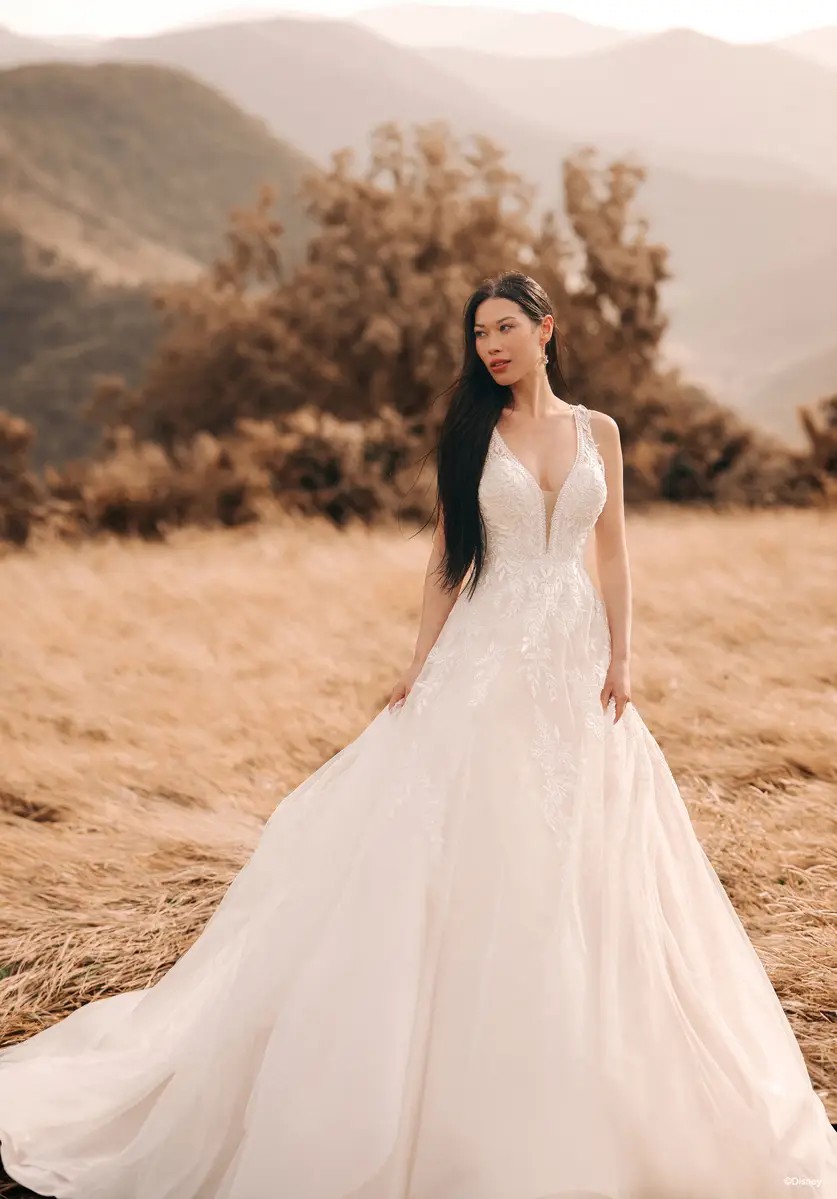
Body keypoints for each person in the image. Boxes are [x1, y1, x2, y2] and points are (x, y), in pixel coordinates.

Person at [0, 271, 835, 1199]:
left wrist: (623, 658)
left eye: (507, 326)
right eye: (479, 332)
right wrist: (418, 662)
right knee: (471, 847)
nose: (491, 345)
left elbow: (615, 554)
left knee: (588, 861)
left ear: (546, 329)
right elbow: (448, 557)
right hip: (485, 658)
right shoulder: (471, 433)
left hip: (575, 664)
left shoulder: (598, 431)